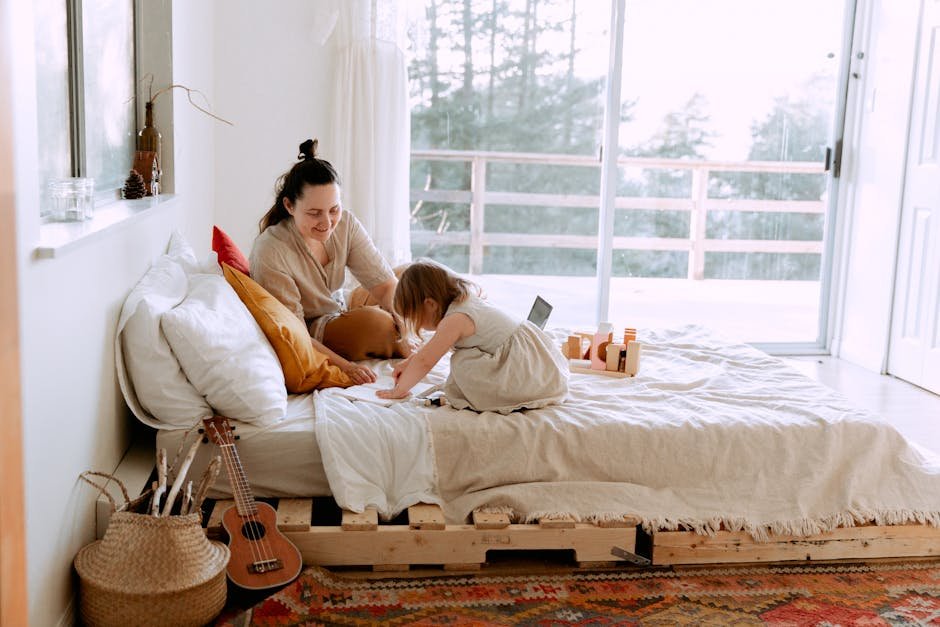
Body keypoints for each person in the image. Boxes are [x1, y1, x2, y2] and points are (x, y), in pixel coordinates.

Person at [250, 139, 411, 385]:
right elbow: (295, 332)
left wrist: (406, 331)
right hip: (315, 328)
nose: (327, 222)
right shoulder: (271, 250)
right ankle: (394, 329)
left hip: (341, 304)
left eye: (333, 209)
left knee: (414, 276)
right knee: (377, 323)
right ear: (289, 206)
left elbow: (385, 285)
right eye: (314, 213)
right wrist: (345, 367)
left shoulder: (345, 223)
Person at [377, 259, 569, 413]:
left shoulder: (455, 319)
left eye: (415, 318)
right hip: (538, 365)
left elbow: (426, 361)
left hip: (523, 371)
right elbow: (426, 353)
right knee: (465, 358)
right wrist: (409, 362)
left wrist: (399, 390)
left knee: (462, 362)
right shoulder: (466, 301)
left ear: (430, 304)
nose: (420, 326)